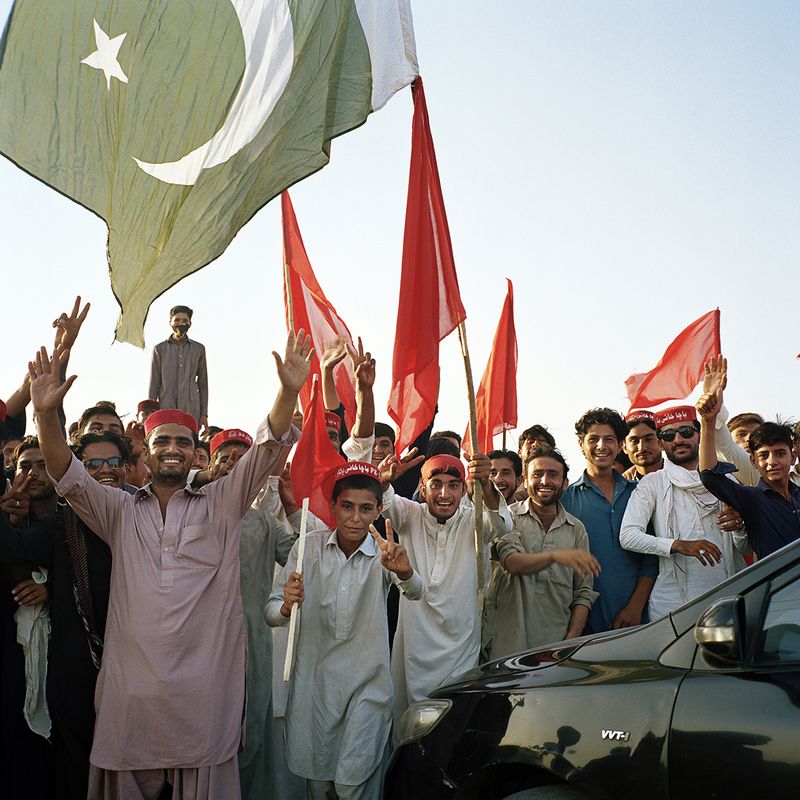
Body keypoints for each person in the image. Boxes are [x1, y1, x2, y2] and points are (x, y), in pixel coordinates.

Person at [30, 330, 311, 800]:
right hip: (131, 702)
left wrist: (288, 391)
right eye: (164, 441)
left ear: (194, 447)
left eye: (184, 441)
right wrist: (42, 413)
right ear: (148, 448)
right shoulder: (118, 509)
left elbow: (264, 451)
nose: (174, 449)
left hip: (203, 703)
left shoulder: (222, 502)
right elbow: (65, 473)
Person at [267, 462, 422, 799]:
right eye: (347, 507)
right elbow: (272, 612)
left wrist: (406, 572)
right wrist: (286, 605)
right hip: (315, 690)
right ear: (333, 506)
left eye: (366, 508)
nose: (356, 517)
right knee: (319, 785)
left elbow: (416, 592)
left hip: (369, 688)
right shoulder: (307, 548)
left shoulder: (384, 553)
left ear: (379, 510)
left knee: (353, 785)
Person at [0, 431, 126, 800]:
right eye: (92, 464)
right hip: (75, 669)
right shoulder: (60, 524)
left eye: (114, 463)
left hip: (134, 668)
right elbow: (16, 551)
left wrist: (51, 587)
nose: (104, 471)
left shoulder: (145, 514)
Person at [379, 452, 511, 719]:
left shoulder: (474, 521)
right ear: (422, 488)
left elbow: (501, 523)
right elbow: (384, 500)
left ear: (464, 490)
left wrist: (485, 483)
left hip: (460, 647)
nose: (444, 493)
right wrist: (383, 481)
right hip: (414, 646)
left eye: (453, 485)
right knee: (409, 723)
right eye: (435, 484)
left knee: (452, 720)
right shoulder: (410, 515)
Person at [207, 428, 296, 800]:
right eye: (223, 457)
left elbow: (303, 559)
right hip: (202, 650)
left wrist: (292, 506)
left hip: (253, 648)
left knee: (252, 733)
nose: (231, 464)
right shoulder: (187, 510)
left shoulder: (264, 521)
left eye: (240, 459)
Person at [620, 405, 747, 622]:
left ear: (699, 434)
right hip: (673, 606)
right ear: (660, 443)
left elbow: (746, 548)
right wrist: (678, 545)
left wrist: (740, 527)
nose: (678, 439)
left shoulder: (727, 480)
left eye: (686, 432)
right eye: (669, 435)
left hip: (728, 600)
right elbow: (628, 536)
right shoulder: (653, 483)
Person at [484, 448, 598, 658]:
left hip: (554, 650)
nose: (545, 481)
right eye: (537, 475)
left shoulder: (576, 529)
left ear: (565, 483)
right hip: (505, 646)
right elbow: (512, 563)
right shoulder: (507, 518)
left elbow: (583, 592)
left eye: (553, 475)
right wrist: (555, 556)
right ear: (525, 482)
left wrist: (572, 637)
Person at [562, 409, 656, 634]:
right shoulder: (566, 499)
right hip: (583, 624)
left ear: (621, 445)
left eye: (609, 439)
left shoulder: (641, 493)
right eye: (593, 439)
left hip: (639, 619)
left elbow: (652, 557)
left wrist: (636, 606)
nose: (601, 446)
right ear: (580, 443)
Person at [696, 359, 800, 557]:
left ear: (793, 455)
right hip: (778, 587)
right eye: (763, 455)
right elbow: (709, 475)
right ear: (753, 461)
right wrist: (708, 421)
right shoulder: (750, 498)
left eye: (780, 453)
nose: (772, 462)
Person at [148, 305, 209, 435]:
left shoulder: (198, 349)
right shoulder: (159, 349)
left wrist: (204, 414)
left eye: (184, 320)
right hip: (165, 407)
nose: (181, 323)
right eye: (177, 320)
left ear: (190, 324)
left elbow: (203, 383)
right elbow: (154, 383)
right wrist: (150, 413)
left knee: (189, 440)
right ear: (170, 323)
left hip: (191, 408)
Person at [622, 410, 663, 480]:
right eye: (634, 441)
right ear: (624, 447)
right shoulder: (619, 486)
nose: (642, 448)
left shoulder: (683, 475)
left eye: (649, 439)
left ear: (662, 442)